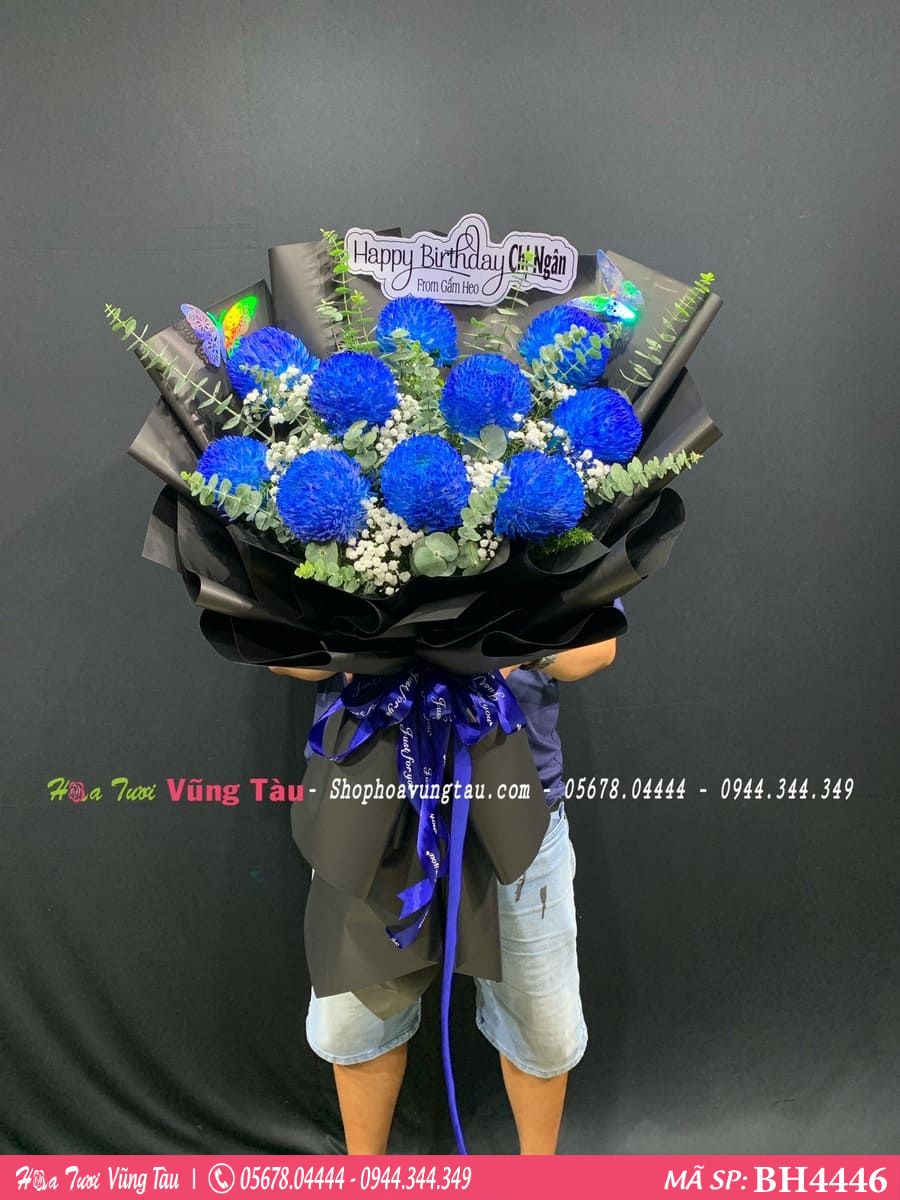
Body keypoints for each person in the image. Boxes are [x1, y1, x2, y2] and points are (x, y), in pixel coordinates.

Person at [268, 598, 624, 1155]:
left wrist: (512, 648)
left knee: (543, 1025)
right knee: (356, 1021)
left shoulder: (551, 538)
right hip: (372, 799)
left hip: (516, 799)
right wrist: (355, 650)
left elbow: (597, 648)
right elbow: (279, 651)